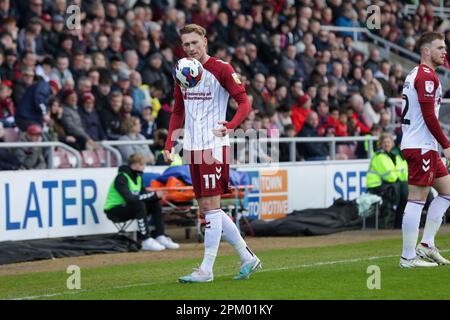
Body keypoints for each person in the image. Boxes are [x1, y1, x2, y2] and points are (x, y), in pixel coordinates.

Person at [164, 24, 260, 283]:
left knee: (209, 207)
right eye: (186, 44)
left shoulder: (222, 69)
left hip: (214, 147)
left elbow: (244, 102)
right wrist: (169, 143)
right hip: (193, 147)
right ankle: (247, 257)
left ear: (205, 41)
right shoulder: (182, 72)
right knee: (208, 208)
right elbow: (177, 111)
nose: (191, 48)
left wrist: (229, 126)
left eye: (195, 42)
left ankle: (206, 270)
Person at [399, 32, 450, 268]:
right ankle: (407, 257)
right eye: (439, 47)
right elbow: (429, 116)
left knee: (448, 191)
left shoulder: (415, 74)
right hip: (421, 146)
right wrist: (447, 145)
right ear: (426, 51)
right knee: (416, 199)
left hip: (423, 144)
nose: (444, 51)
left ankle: (426, 244)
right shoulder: (427, 77)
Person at [103, 153, 180, 251]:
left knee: (155, 203)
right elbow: (130, 198)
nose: (144, 168)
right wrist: (154, 195)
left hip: (127, 207)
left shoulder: (138, 178)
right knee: (139, 204)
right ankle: (145, 240)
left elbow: (144, 195)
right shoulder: (121, 178)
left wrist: (156, 196)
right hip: (114, 211)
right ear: (135, 165)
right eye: (142, 165)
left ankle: (160, 236)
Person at [366, 133, 408, 229]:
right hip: (376, 186)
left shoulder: (395, 156)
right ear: (380, 144)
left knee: (405, 190)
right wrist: (399, 179)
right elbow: (389, 176)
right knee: (400, 190)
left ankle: (399, 223)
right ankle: (395, 223)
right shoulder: (379, 156)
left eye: (389, 142)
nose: (387, 144)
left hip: (389, 185)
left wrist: (403, 180)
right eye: (384, 142)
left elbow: (404, 174)